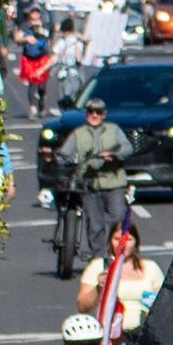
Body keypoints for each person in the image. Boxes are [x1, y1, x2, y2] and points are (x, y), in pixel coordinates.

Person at [57, 96, 134, 260]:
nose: (94, 115)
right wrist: (69, 159)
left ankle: (114, 252)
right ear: (86, 114)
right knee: (95, 223)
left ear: (104, 114)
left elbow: (128, 148)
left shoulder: (114, 130)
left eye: (98, 112)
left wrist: (114, 155)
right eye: (91, 112)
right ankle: (98, 257)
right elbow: (63, 154)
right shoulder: (78, 133)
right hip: (89, 184)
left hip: (114, 182)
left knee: (117, 217)